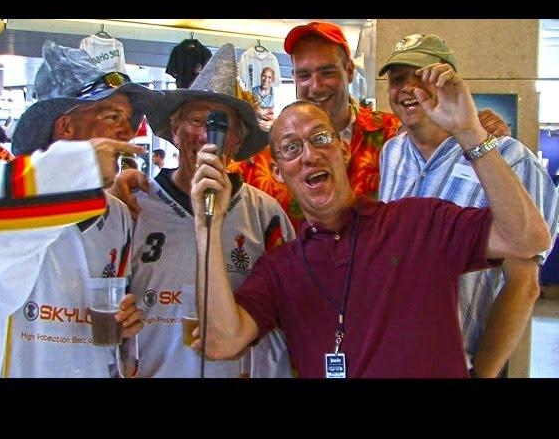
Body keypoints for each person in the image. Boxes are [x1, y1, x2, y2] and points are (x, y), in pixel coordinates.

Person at [190, 63, 551, 378]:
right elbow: (222, 341)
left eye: (320, 138)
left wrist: (471, 134)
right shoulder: (281, 269)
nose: (310, 155)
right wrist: (207, 228)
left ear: (343, 150)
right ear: (279, 172)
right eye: (290, 148)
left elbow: (528, 240)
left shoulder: (417, 221)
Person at [0, 41, 157, 377]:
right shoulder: (8, 201)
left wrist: (125, 324)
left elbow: (112, 308)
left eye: (130, 119)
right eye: (113, 116)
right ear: (65, 127)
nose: (129, 130)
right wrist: (78, 167)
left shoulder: (118, 215)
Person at [377, 33, 559, 378]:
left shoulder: (511, 160)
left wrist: (484, 373)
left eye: (421, 76)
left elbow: (525, 284)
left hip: (463, 362)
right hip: (393, 357)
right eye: (398, 79)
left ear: (448, 81)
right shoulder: (392, 153)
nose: (408, 88)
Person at [113, 44, 295, 377]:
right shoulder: (136, 206)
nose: (207, 136)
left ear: (238, 142)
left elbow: (290, 313)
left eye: (221, 126)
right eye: (196, 121)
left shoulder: (265, 214)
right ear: (174, 130)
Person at [228, 21, 508, 232]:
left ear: (349, 71)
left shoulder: (392, 135)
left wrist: (475, 128)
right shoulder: (269, 153)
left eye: (327, 72)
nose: (315, 86)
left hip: (379, 297)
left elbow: (442, 142)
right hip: (297, 299)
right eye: (304, 75)